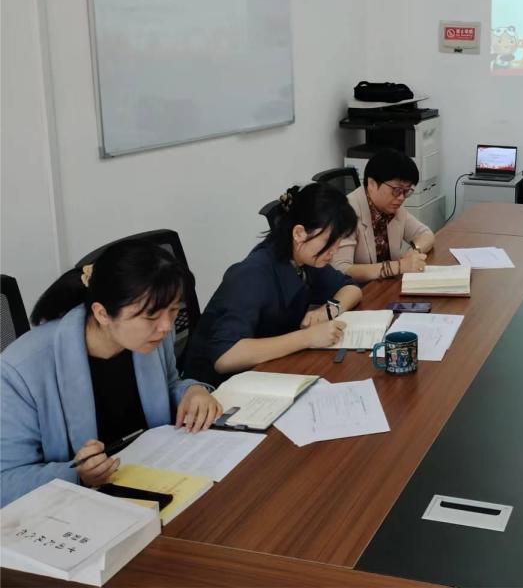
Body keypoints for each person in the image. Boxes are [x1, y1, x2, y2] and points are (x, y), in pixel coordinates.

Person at [1, 240, 222, 506]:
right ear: (102, 314)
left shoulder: (152, 336)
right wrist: (76, 474)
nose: (166, 326)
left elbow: (169, 384)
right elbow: (5, 481)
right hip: (77, 508)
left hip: (153, 479)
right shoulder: (19, 371)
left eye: (173, 310)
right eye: (151, 316)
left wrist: (191, 390)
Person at [183, 182, 362, 387]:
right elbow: (225, 357)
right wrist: (307, 337)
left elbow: (351, 288)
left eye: (339, 242)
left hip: (269, 369)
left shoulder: (304, 257)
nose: (335, 250)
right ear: (299, 233)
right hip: (215, 390)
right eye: (330, 241)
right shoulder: (251, 274)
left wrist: (329, 310)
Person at [332, 149, 435, 282]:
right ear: (372, 184)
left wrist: (414, 251)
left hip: (387, 286)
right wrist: (397, 267)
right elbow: (341, 269)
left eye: (407, 191)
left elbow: (426, 234)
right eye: (397, 190)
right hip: (361, 289)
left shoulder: (394, 208)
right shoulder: (347, 212)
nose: (401, 198)